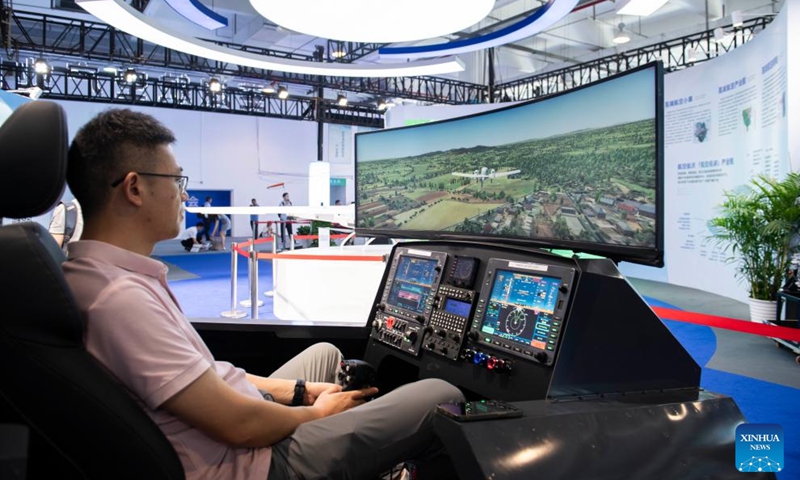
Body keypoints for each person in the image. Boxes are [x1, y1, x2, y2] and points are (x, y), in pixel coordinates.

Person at [62, 108, 463, 480]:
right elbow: (240, 425)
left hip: (225, 429)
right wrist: (317, 414)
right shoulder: (120, 300)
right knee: (440, 394)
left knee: (324, 355)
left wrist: (301, 392)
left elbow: (204, 376)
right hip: (248, 462)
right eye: (177, 180)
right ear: (134, 188)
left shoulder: (98, 275)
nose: (184, 195)